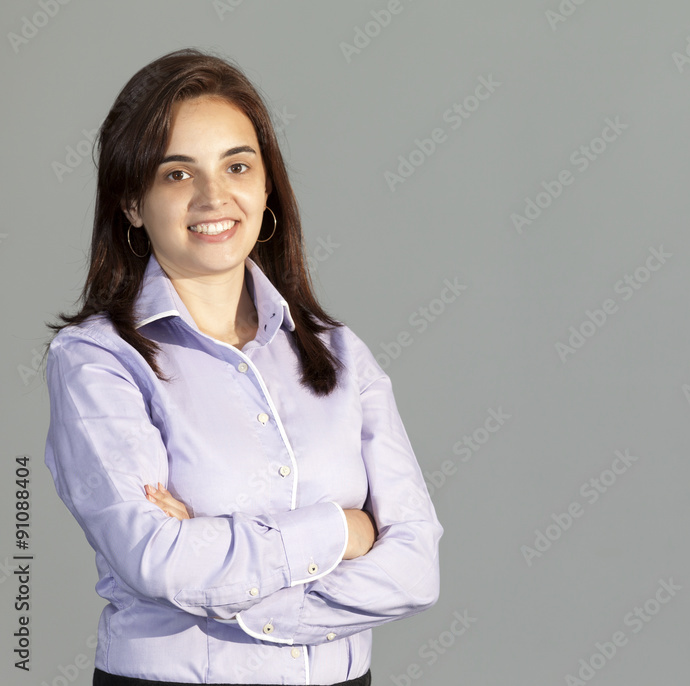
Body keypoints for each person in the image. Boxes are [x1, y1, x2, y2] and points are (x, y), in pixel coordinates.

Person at [42, 48, 443, 686]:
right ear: (132, 203)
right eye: (177, 174)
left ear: (265, 187)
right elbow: (156, 560)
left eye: (237, 165)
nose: (214, 196)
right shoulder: (97, 360)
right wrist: (343, 530)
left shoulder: (339, 352)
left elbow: (416, 570)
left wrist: (224, 567)